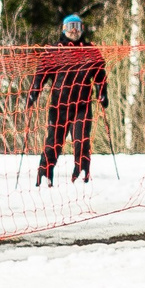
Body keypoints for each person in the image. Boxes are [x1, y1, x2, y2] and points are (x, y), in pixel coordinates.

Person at [25, 14, 108, 187]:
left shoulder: (90, 50)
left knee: (81, 139)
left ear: (82, 29)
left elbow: (100, 75)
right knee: (54, 140)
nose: (74, 30)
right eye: (71, 26)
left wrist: (102, 92)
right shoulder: (54, 50)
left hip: (82, 105)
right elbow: (41, 74)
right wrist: (34, 93)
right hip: (59, 105)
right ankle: (45, 171)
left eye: (77, 26)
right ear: (64, 29)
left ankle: (81, 172)